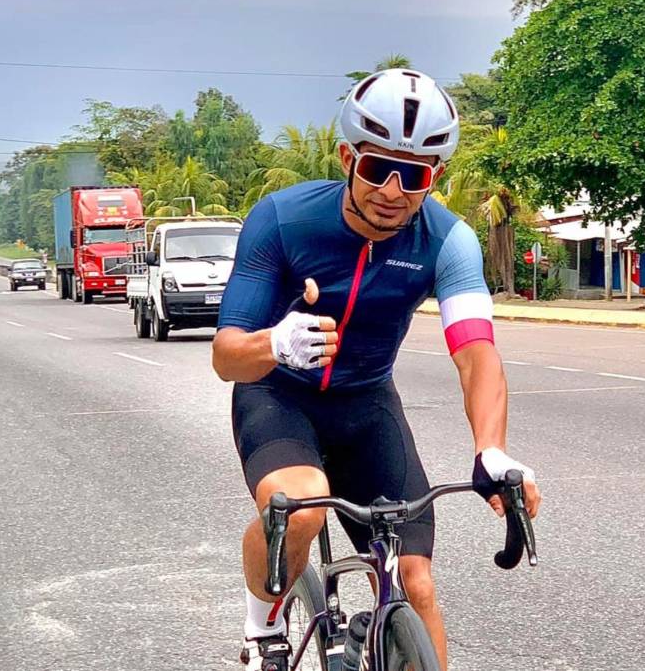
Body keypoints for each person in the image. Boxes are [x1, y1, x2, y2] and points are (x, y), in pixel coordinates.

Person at [213, 69, 541, 671]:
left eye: (413, 175)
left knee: (415, 584)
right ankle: (262, 626)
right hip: (280, 395)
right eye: (376, 169)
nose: (392, 190)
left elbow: (476, 352)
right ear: (347, 157)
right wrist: (273, 342)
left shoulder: (449, 241)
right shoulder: (283, 220)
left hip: (367, 404)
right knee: (302, 504)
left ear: (433, 178)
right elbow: (225, 356)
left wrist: (492, 449)